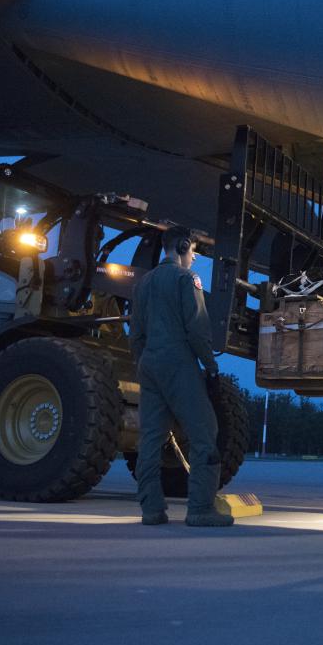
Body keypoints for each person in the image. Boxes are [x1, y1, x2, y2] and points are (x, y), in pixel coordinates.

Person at [130, 226, 232, 527]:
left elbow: (135, 334)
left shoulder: (144, 282)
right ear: (183, 246)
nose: (195, 257)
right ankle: (200, 509)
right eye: (194, 251)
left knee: (150, 438)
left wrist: (145, 362)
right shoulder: (187, 279)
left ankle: (151, 509)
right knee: (205, 432)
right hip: (178, 361)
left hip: (149, 362)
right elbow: (198, 328)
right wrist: (210, 366)